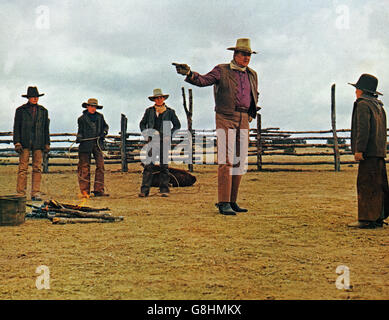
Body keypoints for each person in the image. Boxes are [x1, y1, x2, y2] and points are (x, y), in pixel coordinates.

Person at [174, 38, 259, 215]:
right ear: (235, 55)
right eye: (243, 54)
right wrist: (189, 74)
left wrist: (251, 111)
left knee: (240, 162)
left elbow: (254, 93)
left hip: (244, 118)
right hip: (225, 116)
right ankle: (223, 202)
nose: (246, 58)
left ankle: (233, 201)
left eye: (249, 55)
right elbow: (203, 80)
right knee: (226, 161)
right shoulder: (221, 70)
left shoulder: (252, 74)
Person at [348, 74, 389, 229]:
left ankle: (366, 219)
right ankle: (378, 217)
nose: (355, 92)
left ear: (361, 90)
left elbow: (363, 129)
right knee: (378, 185)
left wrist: (360, 150)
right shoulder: (378, 105)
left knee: (366, 184)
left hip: (368, 153)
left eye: (357, 88)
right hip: (378, 152)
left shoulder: (363, 104)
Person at [139, 88, 181, 197]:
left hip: (164, 142)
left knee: (164, 166)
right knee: (149, 166)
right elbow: (142, 124)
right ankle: (144, 191)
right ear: (154, 100)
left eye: (160, 98)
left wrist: (170, 135)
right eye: (156, 98)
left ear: (163, 99)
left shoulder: (170, 112)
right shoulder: (149, 111)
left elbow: (177, 125)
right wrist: (147, 134)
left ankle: (164, 190)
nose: (159, 100)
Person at [13, 86, 50, 201]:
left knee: (37, 168)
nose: (35, 99)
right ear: (28, 98)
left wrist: (47, 143)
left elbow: (46, 128)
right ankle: (21, 193)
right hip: (24, 143)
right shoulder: (20, 110)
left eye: (36, 97)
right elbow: (16, 127)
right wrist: (17, 142)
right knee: (23, 168)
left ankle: (35, 193)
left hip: (39, 143)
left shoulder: (43, 111)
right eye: (32, 97)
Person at [76, 98, 109, 197]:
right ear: (87, 107)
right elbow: (80, 131)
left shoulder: (100, 117)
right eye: (91, 106)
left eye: (94, 106)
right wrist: (79, 137)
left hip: (98, 144)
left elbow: (105, 127)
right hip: (85, 146)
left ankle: (99, 190)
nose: (93, 108)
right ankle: (85, 191)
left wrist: (104, 133)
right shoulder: (81, 119)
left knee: (100, 166)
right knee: (84, 168)